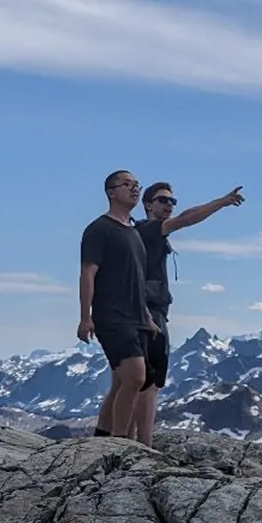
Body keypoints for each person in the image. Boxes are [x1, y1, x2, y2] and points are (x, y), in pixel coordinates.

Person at [131, 181, 245, 444]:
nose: (169, 205)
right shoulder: (151, 229)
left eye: (172, 201)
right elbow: (186, 219)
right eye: (163, 200)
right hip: (151, 311)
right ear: (148, 204)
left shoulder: (138, 232)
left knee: (134, 379)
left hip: (141, 308)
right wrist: (220, 202)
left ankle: (124, 439)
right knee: (150, 380)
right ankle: (142, 445)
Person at [78, 171, 157, 440]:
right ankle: (120, 443)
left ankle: (103, 438)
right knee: (136, 377)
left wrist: (146, 315)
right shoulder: (99, 229)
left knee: (122, 382)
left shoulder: (133, 233)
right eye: (127, 185)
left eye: (137, 185)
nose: (134, 189)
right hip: (111, 316)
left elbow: (135, 279)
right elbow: (88, 273)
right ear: (111, 192)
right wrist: (85, 316)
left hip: (136, 318)